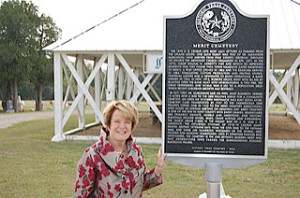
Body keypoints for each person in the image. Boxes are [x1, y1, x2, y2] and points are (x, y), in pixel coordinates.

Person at [74, 100, 167, 197]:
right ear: (109, 124)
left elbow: (139, 184)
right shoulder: (92, 155)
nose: (122, 126)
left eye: (127, 122)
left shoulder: (136, 151)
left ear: (132, 126)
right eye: (117, 121)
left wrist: (158, 169)